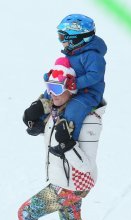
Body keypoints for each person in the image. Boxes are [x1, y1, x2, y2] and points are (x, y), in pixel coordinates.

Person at [19, 56, 107, 220]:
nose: (53, 94)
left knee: (27, 213)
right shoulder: (58, 111)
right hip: (63, 181)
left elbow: (85, 165)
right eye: (50, 88)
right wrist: (38, 126)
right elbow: (53, 134)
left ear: (71, 89)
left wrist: (67, 145)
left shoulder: (89, 120)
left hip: (72, 184)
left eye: (58, 88)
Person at [42, 14, 107, 153]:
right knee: (50, 93)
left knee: (74, 108)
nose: (60, 41)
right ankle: (39, 117)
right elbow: (65, 69)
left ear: (75, 39)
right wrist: (53, 75)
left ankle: (67, 140)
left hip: (88, 94)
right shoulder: (73, 53)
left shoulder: (92, 56)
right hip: (72, 88)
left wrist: (75, 83)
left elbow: (95, 75)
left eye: (62, 37)